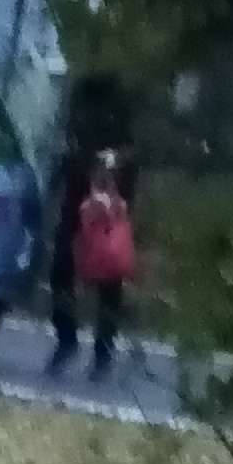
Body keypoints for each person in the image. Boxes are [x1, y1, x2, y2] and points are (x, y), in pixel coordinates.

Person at [75, 152, 136, 377]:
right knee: (108, 308)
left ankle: (101, 355)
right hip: (110, 261)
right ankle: (103, 354)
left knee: (105, 308)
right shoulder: (115, 202)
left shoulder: (96, 202)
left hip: (100, 259)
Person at [46, 137, 93, 367]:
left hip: (84, 227)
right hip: (77, 226)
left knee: (63, 279)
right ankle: (70, 338)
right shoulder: (73, 160)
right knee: (61, 280)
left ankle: (72, 341)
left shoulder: (80, 161)